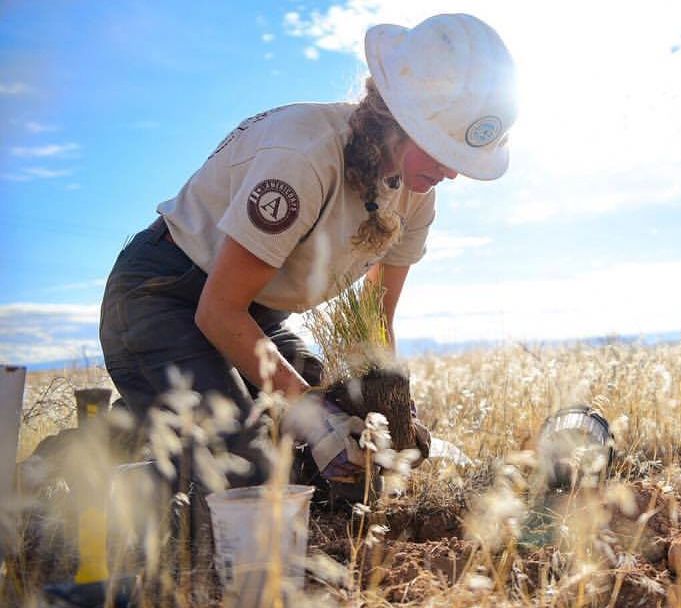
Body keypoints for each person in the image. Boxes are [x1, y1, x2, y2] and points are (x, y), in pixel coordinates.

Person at [97, 13, 517, 486]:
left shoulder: (416, 193)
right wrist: (314, 421)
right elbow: (218, 311)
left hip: (254, 315)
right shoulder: (304, 156)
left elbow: (376, 319)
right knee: (247, 467)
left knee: (336, 428)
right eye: (443, 151)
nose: (453, 172)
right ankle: (89, 473)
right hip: (165, 295)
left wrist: (387, 409)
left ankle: (150, 427)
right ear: (400, 118)